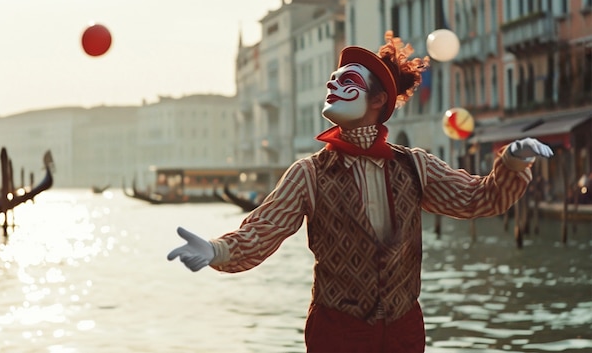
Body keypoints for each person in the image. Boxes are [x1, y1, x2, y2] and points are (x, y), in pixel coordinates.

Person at [167, 31, 553, 353]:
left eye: (346, 81)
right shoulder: (308, 174)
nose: (333, 85)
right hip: (338, 334)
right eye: (331, 81)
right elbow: (261, 232)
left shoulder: (415, 165)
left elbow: (478, 199)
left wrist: (513, 163)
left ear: (378, 100)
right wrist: (216, 250)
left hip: (403, 332)